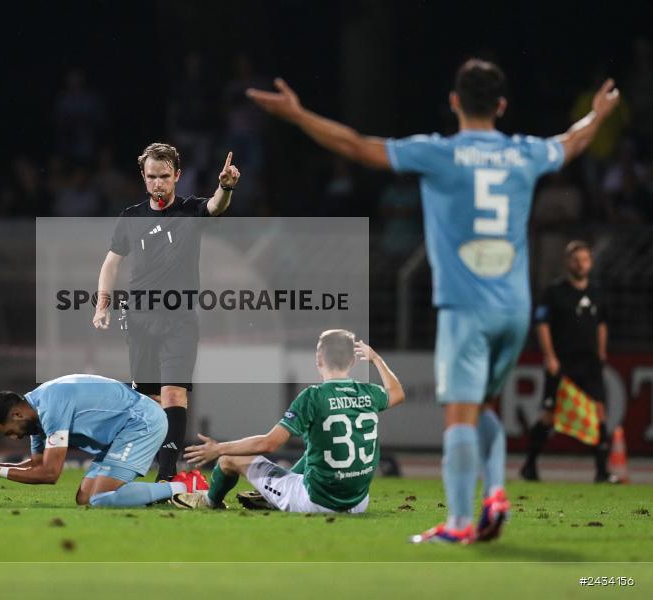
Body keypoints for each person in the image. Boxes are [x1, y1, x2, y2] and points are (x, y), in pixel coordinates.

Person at [247, 59, 620, 543]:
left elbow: (357, 146)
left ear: (454, 102)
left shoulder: (438, 153)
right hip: (514, 307)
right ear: (502, 105)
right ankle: (497, 491)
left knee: (459, 417)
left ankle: (461, 523)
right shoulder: (525, 152)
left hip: (466, 307)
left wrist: (298, 115)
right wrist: (599, 114)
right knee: (484, 407)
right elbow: (574, 142)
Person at [92, 142, 240, 482]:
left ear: (177, 176)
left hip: (179, 319)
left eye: (164, 177)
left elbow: (217, 207)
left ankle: (167, 474)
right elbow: (111, 263)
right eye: (151, 177)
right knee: (147, 399)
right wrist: (103, 304)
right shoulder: (131, 217)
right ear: (143, 179)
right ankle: (137, 464)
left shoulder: (190, 212)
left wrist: (225, 187)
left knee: (174, 392)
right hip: (140, 319)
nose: (158, 184)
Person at [171, 331, 404, 513]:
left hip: (316, 502)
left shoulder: (313, 397)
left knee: (228, 460)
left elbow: (269, 444)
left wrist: (218, 448)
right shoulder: (370, 393)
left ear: (318, 359)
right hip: (358, 502)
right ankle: (271, 494)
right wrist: (375, 359)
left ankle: (210, 501)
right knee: (315, 448)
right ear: (353, 361)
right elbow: (397, 393)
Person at [0, 373, 189, 507]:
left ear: (17, 415)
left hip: (140, 422)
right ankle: (156, 495)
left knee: (101, 498)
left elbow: (50, 473)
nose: (14, 438)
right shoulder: (35, 411)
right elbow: (37, 464)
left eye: (9, 432)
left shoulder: (51, 409)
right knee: (85, 497)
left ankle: (184, 487)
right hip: (120, 433)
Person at [522, 241, 613, 483]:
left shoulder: (596, 293)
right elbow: (542, 325)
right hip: (562, 363)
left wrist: (602, 352)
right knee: (550, 415)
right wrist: (549, 356)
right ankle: (529, 464)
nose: (580, 264)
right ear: (567, 262)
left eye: (585, 260)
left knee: (599, 412)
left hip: (590, 363)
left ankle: (602, 471)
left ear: (591, 263)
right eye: (576, 260)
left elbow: (602, 324)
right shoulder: (554, 292)